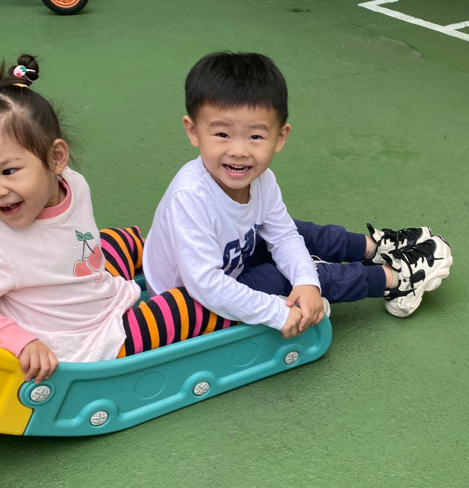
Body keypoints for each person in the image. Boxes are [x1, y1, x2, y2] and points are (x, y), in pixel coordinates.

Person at [0, 55, 235, 383]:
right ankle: (246, 291)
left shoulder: (71, 183)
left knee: (120, 239)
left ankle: (189, 256)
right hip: (89, 343)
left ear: (56, 158)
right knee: (189, 303)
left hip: (89, 282)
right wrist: (16, 338)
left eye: (8, 171)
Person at [144, 51, 452, 339]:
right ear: (193, 131)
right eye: (222, 134)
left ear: (280, 137)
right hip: (190, 301)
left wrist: (306, 281)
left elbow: (284, 236)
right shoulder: (190, 197)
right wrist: (279, 309)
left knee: (297, 234)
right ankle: (395, 278)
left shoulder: (262, 180)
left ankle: (374, 248)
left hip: (230, 262)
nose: (238, 151)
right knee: (285, 278)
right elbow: (207, 286)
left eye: (255, 136)